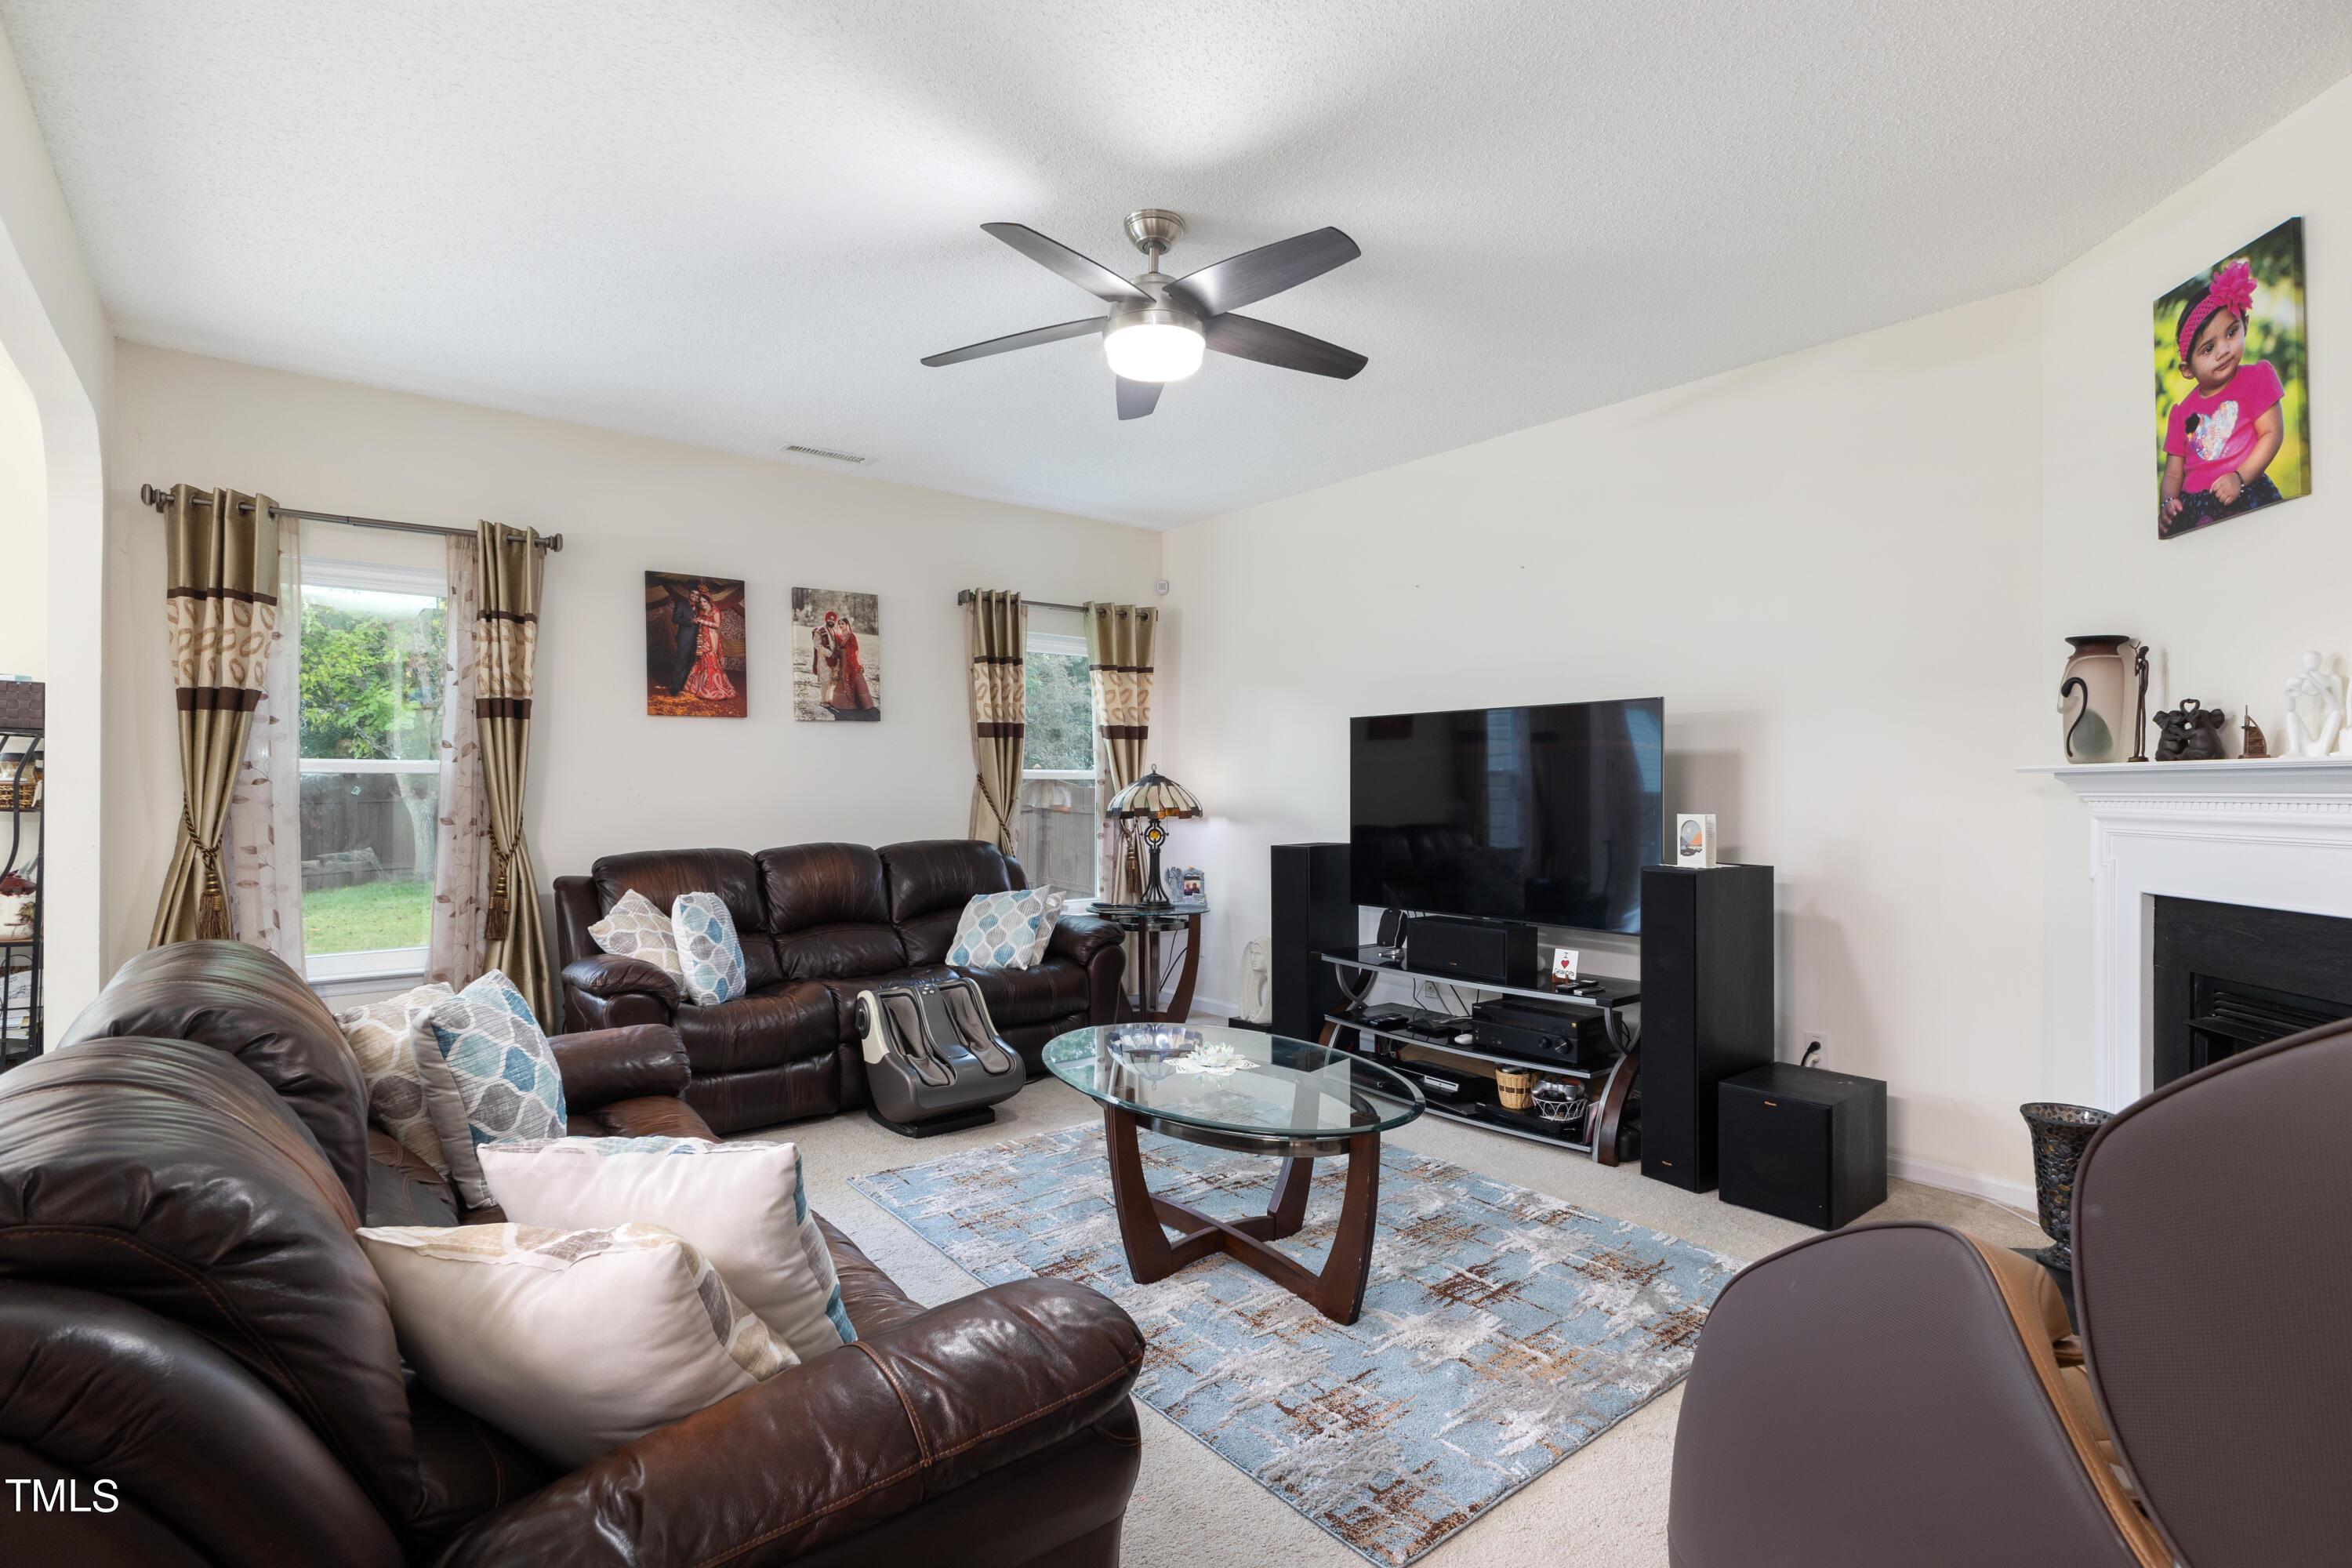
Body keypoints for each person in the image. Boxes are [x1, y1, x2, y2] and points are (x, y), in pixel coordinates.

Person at [2161, 260, 2285, 537]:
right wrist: (2168, 503)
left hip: (2243, 489)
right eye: (2208, 348)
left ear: (2245, 325)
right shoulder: (2181, 413)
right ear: (2188, 370)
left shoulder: (2256, 378)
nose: (2223, 350)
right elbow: (2173, 473)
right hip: (2194, 507)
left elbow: (2272, 434)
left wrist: (2240, 477)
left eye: (2231, 333)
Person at [681, 583, 736, 701]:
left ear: (709, 601)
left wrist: (703, 622)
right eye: (700, 602)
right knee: (701, 659)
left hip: (711, 637)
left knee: (710, 659)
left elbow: (717, 625)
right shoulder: (701, 611)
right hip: (702, 637)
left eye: (704, 602)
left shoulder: (714, 611)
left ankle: (712, 688)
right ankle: (699, 687)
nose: (702, 604)